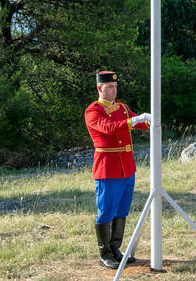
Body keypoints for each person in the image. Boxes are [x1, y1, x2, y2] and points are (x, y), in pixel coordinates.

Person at [84, 71, 151, 268]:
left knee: (122, 209)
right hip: (108, 167)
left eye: (115, 87)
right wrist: (135, 121)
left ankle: (115, 248)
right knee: (106, 210)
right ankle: (104, 253)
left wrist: (149, 121)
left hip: (127, 167)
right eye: (109, 87)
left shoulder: (121, 107)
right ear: (99, 88)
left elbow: (136, 121)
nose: (113, 90)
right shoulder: (93, 111)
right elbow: (110, 127)